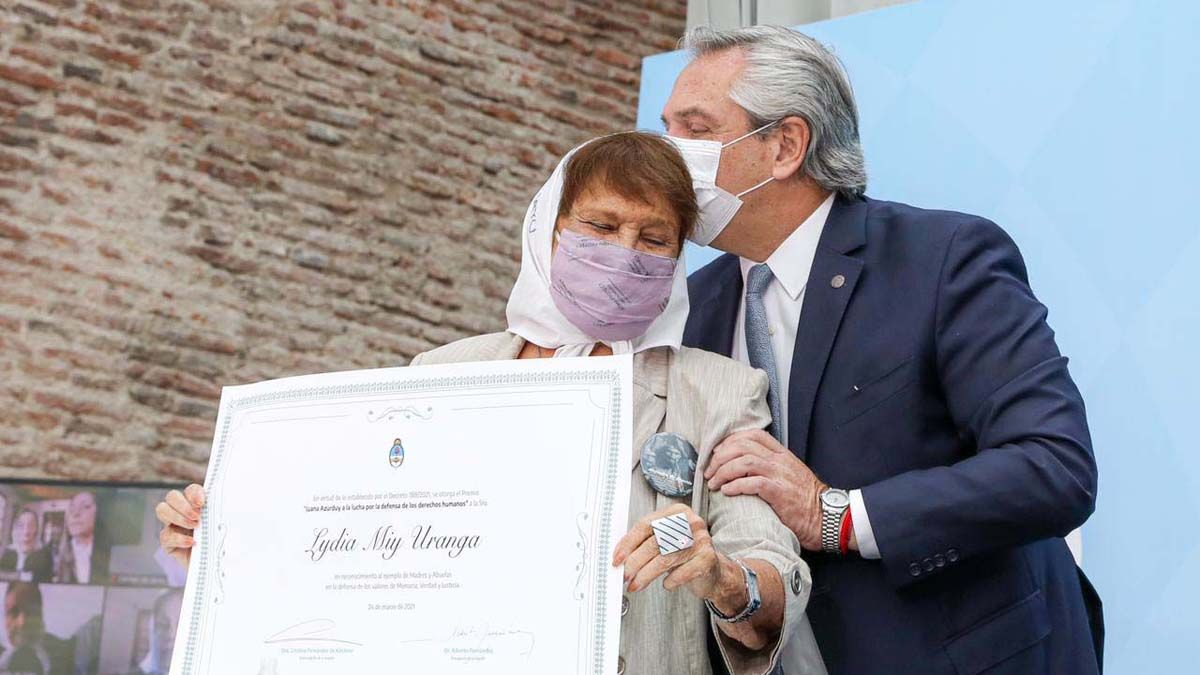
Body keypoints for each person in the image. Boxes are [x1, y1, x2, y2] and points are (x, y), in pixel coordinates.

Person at [156, 131, 827, 674]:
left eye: (654, 240)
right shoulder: (442, 373)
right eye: (601, 226)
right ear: (548, 231)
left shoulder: (717, 392)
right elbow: (374, 543)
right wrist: (234, 549)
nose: (625, 254)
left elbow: (775, 586)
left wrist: (723, 578)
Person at [661, 25, 1102, 675]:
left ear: (785, 145)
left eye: (694, 129)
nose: (670, 154)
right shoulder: (686, 311)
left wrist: (833, 514)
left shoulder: (943, 261)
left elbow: (1053, 466)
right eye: (665, 128)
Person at [0, 582, 74, 675]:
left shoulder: (63, 654)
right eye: (14, 612)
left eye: (30, 612)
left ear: (40, 616)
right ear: (5, 616)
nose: (22, 623)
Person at [53, 492, 110, 585]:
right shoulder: (55, 556)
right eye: (72, 508)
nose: (75, 513)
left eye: (85, 507)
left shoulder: (110, 554)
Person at [0, 510, 53, 582]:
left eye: (31, 525)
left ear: (36, 528)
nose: (26, 531)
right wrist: (19, 576)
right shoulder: (8, 552)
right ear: (16, 528)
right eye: (21, 525)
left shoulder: (45, 554)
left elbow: (45, 580)